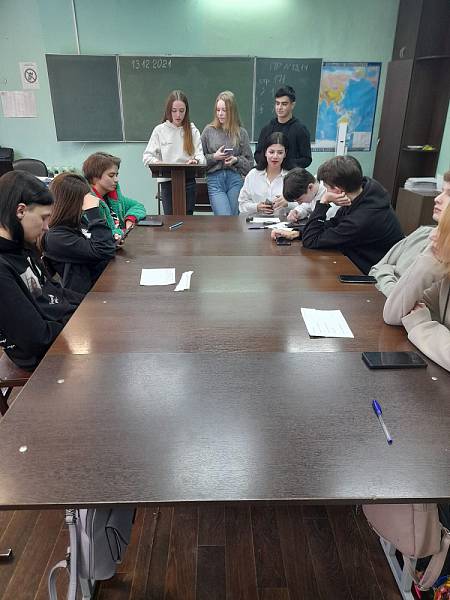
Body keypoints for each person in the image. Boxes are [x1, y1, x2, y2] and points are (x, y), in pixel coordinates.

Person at [0, 170, 81, 370]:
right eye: (43, 218)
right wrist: (78, 320)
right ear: (20, 211)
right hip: (44, 359)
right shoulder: (3, 267)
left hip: (60, 336)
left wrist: (90, 304)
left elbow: (54, 292)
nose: (46, 227)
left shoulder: (22, 248)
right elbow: (37, 338)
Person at [271, 155, 404, 274]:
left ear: (337, 190)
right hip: (357, 257)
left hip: (371, 272)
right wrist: (297, 232)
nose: (325, 191)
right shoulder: (363, 194)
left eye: (326, 187)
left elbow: (311, 241)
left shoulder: (362, 218)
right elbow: (332, 225)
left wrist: (323, 202)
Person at [383, 203, 450, 372]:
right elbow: (393, 315)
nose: (432, 235)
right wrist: (427, 262)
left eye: (443, 230)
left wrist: (421, 325)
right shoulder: (445, 274)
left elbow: (415, 319)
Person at [370, 170, 450, 297]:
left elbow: (418, 301)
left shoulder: (444, 255)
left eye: (449, 194)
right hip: (381, 300)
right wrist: (394, 291)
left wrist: (389, 278)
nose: (437, 199)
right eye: (441, 192)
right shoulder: (423, 232)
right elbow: (378, 267)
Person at [42, 173, 116, 295]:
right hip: (84, 298)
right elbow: (103, 251)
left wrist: (112, 241)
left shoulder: (77, 222)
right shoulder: (56, 237)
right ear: (72, 203)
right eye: (84, 199)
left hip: (100, 285)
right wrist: (93, 212)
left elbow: (100, 245)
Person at [142, 90, 206, 215]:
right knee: (170, 219)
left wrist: (196, 160)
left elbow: (201, 157)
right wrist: (158, 162)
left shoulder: (192, 130)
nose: (178, 115)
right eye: (174, 110)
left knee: (187, 220)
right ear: (168, 111)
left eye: (182, 111)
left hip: (188, 181)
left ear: (186, 111)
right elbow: (147, 156)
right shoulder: (159, 130)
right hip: (167, 182)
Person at [201, 91, 253, 215]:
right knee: (224, 216)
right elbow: (198, 160)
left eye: (224, 110)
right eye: (218, 110)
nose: (220, 114)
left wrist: (236, 160)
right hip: (215, 179)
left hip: (235, 179)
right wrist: (214, 157)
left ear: (232, 111)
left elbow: (250, 164)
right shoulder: (209, 131)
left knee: (234, 218)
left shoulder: (241, 133)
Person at [83, 152, 146, 239]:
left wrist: (130, 218)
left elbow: (138, 206)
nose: (116, 180)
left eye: (116, 175)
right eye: (111, 175)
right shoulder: (89, 205)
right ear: (95, 177)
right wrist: (123, 231)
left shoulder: (114, 197)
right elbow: (98, 235)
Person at [254, 85, 311, 169]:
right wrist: (271, 163)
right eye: (277, 103)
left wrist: (284, 164)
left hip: (290, 174)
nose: (279, 107)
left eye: (284, 104)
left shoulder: (300, 130)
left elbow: (306, 159)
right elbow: (257, 154)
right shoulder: (267, 129)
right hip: (269, 173)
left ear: (292, 105)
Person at [238, 132, 293, 215]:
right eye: (271, 152)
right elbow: (242, 205)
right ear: (265, 152)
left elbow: (305, 205)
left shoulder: (292, 176)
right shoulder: (253, 175)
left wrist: (287, 204)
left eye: (280, 153)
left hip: (283, 222)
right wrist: (256, 207)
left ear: (285, 154)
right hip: (255, 221)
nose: (275, 156)